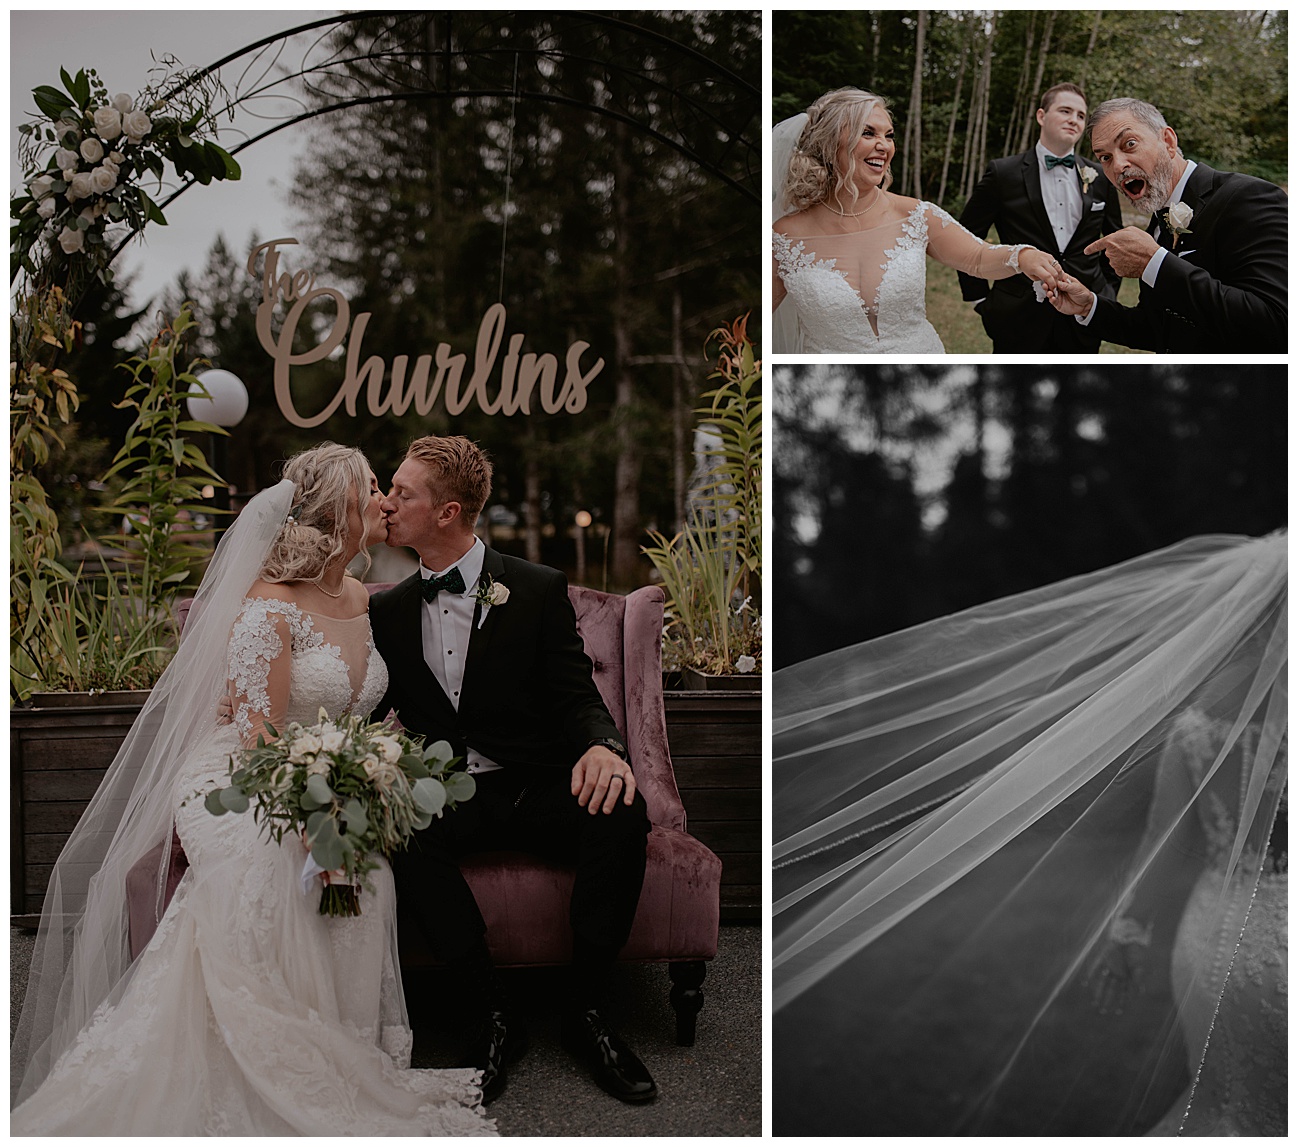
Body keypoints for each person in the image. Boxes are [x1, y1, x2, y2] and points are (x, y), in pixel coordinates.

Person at [11, 444, 494, 1135]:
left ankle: (343, 1051)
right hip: (241, 776)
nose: (383, 503)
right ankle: (273, 1056)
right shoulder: (269, 606)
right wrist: (312, 812)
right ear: (338, 515)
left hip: (325, 771)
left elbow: (368, 707)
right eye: (371, 494)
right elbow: (258, 733)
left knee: (372, 876)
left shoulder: (363, 596)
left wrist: (363, 774)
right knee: (278, 871)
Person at [773, 533, 1286, 1135]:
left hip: (1216, 940)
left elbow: (1165, 845)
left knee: (1223, 1101)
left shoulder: (1199, 727)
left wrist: (1128, 933)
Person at [369, 435, 656, 1105]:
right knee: (398, 824)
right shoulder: (383, 610)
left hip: (537, 781)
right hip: (449, 791)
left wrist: (602, 746)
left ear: (448, 511)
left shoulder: (534, 588)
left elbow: (576, 692)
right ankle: (493, 1014)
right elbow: (369, 704)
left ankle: (588, 1013)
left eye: (402, 492)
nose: (388, 501)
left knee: (620, 809)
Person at [770, 87, 1063, 353]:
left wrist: (1022, 256)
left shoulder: (915, 215)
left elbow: (977, 256)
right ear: (830, 142)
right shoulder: (784, 236)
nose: (884, 146)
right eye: (868, 133)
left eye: (889, 135)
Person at [1045, 97, 1288, 351]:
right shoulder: (1158, 220)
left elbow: (1277, 324)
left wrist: (1155, 263)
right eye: (1105, 157)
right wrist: (1090, 307)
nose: (1118, 166)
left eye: (1129, 144)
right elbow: (1161, 328)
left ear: (1169, 142)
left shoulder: (1249, 197)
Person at [957, 82, 1123, 352]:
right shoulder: (1003, 173)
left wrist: (1105, 294)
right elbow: (964, 235)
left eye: (1081, 116)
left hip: (1081, 317)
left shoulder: (1100, 177)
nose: (1074, 120)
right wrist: (979, 299)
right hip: (1016, 315)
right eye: (1066, 111)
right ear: (1041, 116)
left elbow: (1114, 239)